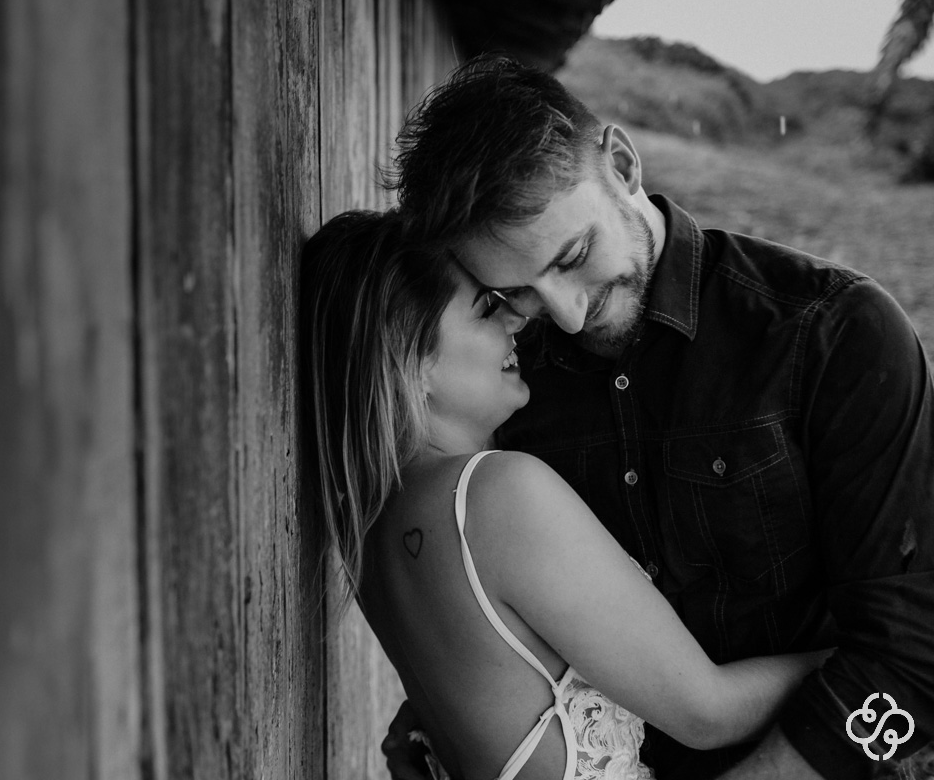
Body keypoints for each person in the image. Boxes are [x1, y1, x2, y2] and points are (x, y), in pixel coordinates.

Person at [379, 56, 934, 780]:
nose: (566, 315)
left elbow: (916, 656)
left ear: (621, 163)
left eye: (574, 257)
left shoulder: (835, 333)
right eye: (517, 293)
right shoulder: (509, 380)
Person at [298, 209, 831, 780]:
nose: (517, 320)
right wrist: (875, 664)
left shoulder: (371, 522)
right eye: (487, 309)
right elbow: (708, 713)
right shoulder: (498, 494)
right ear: (413, 357)